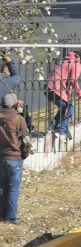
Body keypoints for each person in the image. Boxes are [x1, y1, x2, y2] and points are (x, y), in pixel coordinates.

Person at [45, 50, 81, 146]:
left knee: (65, 108)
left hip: (48, 86)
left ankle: (52, 127)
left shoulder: (67, 60)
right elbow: (73, 80)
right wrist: (79, 94)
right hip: (55, 87)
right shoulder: (76, 64)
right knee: (70, 109)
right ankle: (62, 132)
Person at [0, 93, 29, 225]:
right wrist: (25, 154)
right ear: (13, 104)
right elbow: (25, 140)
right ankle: (10, 217)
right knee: (13, 188)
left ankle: (1, 215)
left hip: (1, 157)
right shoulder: (18, 119)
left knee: (2, 187)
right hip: (14, 158)